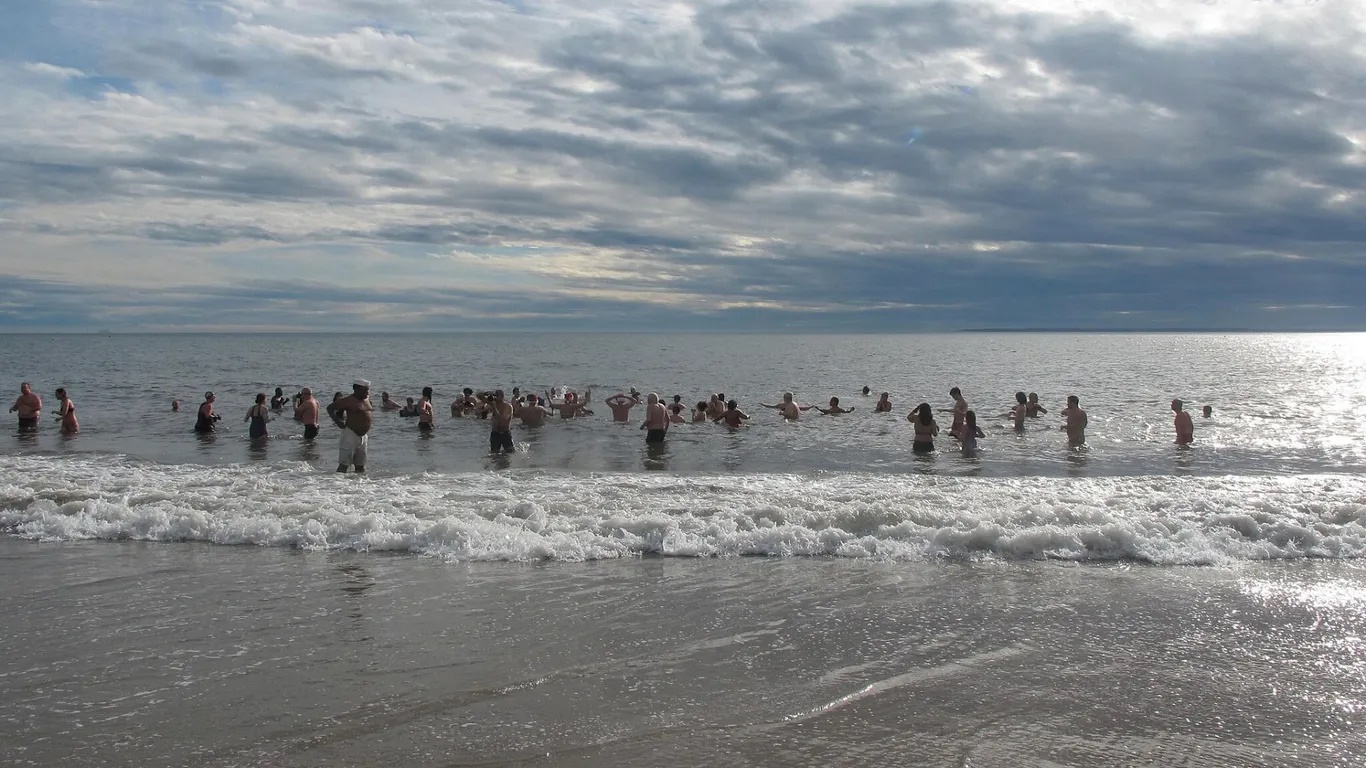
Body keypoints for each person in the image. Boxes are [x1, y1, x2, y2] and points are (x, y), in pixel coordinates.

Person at [327, 380, 373, 473]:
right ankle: (336, 484)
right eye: (365, 390)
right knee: (344, 465)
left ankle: (359, 485)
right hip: (350, 434)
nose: (367, 392)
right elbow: (330, 408)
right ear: (357, 389)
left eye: (368, 390)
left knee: (360, 466)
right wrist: (338, 422)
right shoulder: (348, 401)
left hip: (363, 437)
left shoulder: (366, 398)